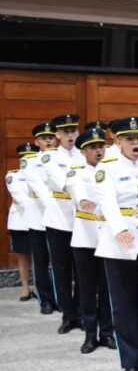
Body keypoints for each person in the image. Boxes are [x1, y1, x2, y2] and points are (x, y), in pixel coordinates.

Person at [94, 116, 138, 371]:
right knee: (123, 306)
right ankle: (130, 361)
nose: (136, 143)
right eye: (129, 139)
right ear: (117, 140)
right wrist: (119, 229)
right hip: (117, 245)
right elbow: (107, 202)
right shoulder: (107, 167)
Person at [65, 128, 116, 353]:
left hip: (107, 237)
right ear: (84, 151)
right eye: (93, 147)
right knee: (87, 288)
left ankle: (107, 332)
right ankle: (89, 334)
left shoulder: (111, 170)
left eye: (101, 146)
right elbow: (74, 188)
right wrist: (84, 200)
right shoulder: (76, 171)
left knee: (107, 288)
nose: (99, 151)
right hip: (85, 238)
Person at [41, 113, 86, 333]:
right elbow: (62, 181)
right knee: (61, 269)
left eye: (73, 131)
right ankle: (68, 315)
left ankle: (82, 311)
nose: (70, 135)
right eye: (66, 132)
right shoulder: (50, 157)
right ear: (57, 134)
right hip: (59, 219)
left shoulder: (84, 153)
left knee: (82, 270)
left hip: (82, 220)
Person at [23, 123, 59, 315]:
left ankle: (62, 299)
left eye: (51, 137)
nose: (48, 141)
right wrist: (53, 205)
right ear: (37, 142)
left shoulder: (64, 159)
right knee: (41, 260)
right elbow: (38, 187)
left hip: (62, 218)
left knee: (62, 262)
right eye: (44, 138)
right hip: (39, 217)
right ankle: (45, 299)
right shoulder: (30, 161)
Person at [7, 143, 41, 303]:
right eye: (24, 157)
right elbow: (22, 198)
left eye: (30, 157)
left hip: (40, 221)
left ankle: (40, 288)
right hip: (20, 222)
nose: (26, 159)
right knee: (23, 256)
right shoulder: (12, 176)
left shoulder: (41, 176)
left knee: (41, 257)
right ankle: (25, 288)